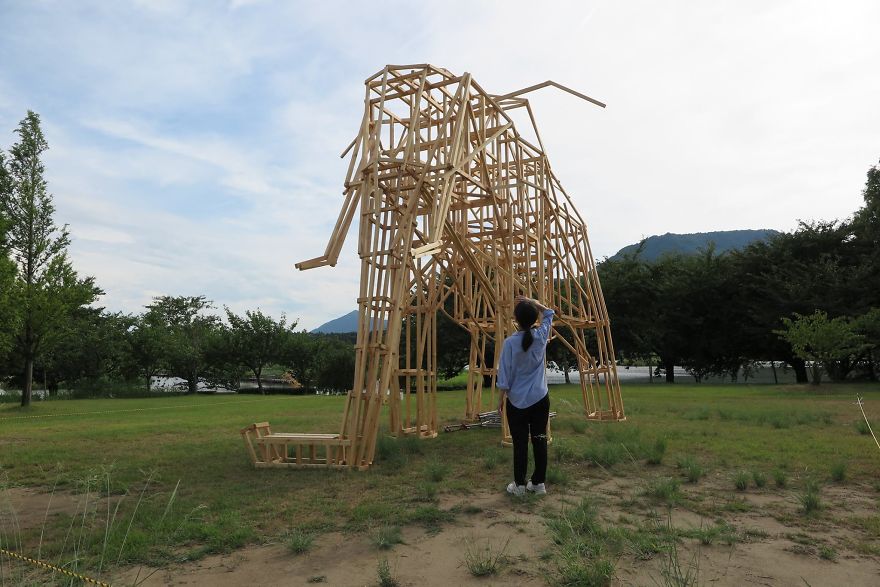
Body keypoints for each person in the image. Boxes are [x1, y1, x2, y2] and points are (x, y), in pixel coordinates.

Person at [496, 295, 554, 496]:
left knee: (520, 443)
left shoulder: (510, 343)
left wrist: (500, 398)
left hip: (517, 402)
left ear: (515, 318)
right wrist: (534, 302)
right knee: (539, 439)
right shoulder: (541, 336)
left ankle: (519, 485)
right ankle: (538, 483)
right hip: (540, 399)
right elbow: (549, 313)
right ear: (533, 319)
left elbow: (504, 374)